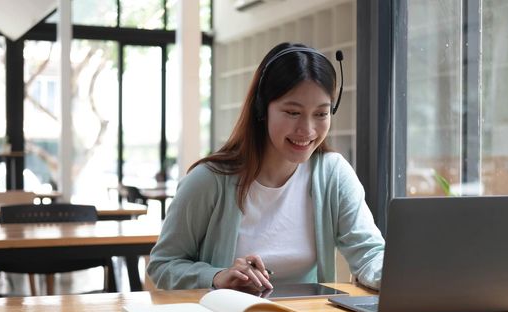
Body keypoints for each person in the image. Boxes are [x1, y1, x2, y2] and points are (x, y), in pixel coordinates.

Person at [147, 42, 384, 292]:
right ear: (262, 109)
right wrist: (217, 277)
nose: (308, 130)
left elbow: (369, 253)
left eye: (321, 114)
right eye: (293, 112)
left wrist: (394, 276)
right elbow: (163, 265)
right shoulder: (209, 180)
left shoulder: (333, 174)